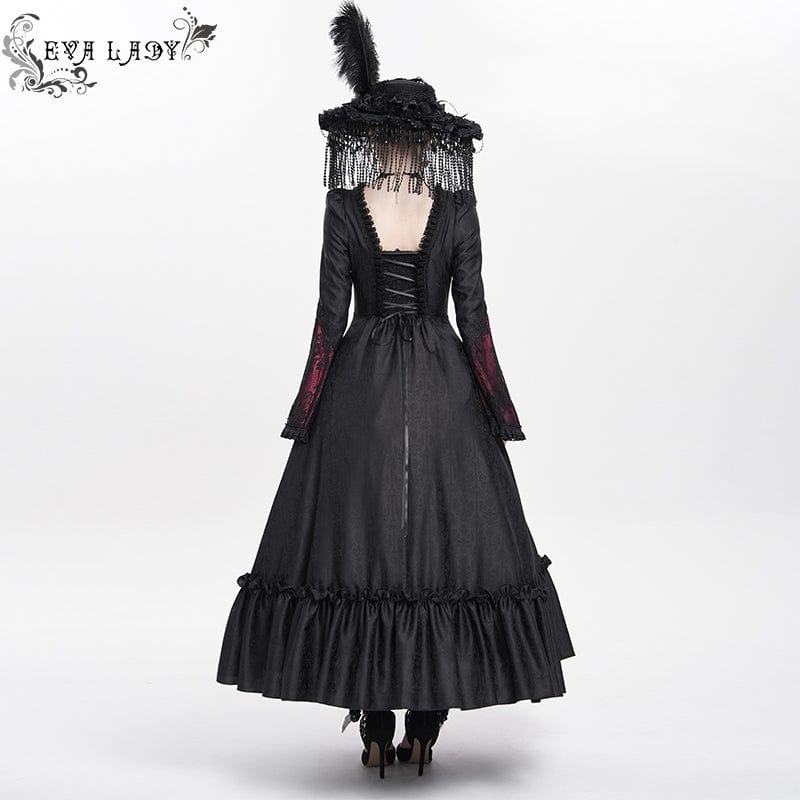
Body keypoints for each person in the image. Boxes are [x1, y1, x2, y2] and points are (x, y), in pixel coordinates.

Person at [216, 2, 575, 779]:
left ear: (375, 136)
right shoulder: (457, 207)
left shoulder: (344, 205)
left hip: (362, 382)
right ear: (430, 140)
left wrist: (308, 407)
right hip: (445, 380)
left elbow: (328, 318)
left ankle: (376, 726)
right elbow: (474, 317)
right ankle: (424, 725)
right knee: (446, 546)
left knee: (364, 545)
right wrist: (497, 408)